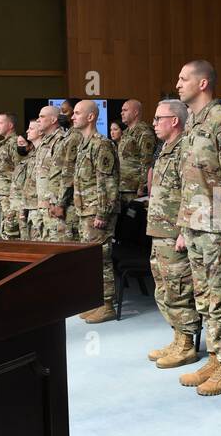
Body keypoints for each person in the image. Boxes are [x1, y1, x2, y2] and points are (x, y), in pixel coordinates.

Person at [174, 60, 221, 396]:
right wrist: (183, 224)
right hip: (195, 224)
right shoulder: (193, 122)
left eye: (183, 78)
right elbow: (189, 180)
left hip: (220, 228)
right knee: (205, 297)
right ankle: (217, 357)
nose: (178, 84)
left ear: (203, 83)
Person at [146, 99, 202, 368]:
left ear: (175, 121)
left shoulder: (184, 150)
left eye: (159, 119)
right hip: (159, 230)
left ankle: (187, 344)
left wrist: (184, 231)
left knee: (179, 289)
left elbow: (192, 194)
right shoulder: (165, 149)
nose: (154, 124)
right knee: (164, 289)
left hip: (174, 233)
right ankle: (178, 337)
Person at [71, 101, 120, 323]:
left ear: (91, 117)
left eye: (77, 113)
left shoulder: (101, 145)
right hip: (85, 211)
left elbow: (106, 183)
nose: (72, 117)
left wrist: (102, 213)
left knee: (101, 258)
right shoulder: (84, 145)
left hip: (96, 212)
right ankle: (98, 301)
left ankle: (108, 304)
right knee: (92, 259)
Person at [35, 105, 82, 242]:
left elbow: (64, 173)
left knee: (59, 248)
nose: (38, 120)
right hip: (45, 204)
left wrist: (58, 203)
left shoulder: (61, 140)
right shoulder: (44, 141)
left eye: (42, 117)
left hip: (58, 206)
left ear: (53, 120)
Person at [116, 99, 157, 206]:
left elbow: (147, 161)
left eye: (125, 110)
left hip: (135, 190)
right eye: (121, 110)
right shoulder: (125, 133)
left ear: (135, 112)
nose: (122, 113)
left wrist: (142, 187)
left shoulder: (144, 132)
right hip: (123, 188)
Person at [0, 112, 25, 240]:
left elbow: (20, 169)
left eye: (0, 122)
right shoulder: (6, 144)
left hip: (11, 194)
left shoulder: (15, 144)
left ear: (10, 125)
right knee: (6, 227)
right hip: (4, 194)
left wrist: (15, 193)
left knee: (11, 230)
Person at [7, 121, 39, 241]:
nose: (19, 146)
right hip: (15, 208)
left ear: (30, 145)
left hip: (24, 208)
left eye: (22, 143)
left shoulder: (31, 162)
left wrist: (22, 211)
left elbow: (26, 188)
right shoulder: (21, 163)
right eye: (18, 143)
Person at [22, 120, 46, 240]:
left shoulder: (45, 152)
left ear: (40, 131)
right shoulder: (33, 153)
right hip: (31, 206)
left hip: (40, 207)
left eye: (31, 128)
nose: (27, 131)